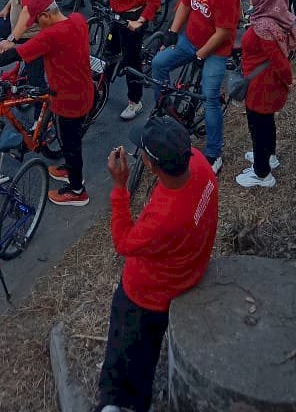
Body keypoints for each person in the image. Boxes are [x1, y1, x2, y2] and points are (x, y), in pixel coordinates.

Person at [94, 116, 217, 412]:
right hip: (190, 265)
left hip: (148, 295)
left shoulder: (164, 217)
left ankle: (120, 403)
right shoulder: (200, 164)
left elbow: (123, 243)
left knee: (127, 349)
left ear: (152, 165)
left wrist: (120, 187)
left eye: (144, 154)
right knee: (145, 351)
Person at [0, 0, 94, 207]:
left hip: (67, 100)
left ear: (46, 15)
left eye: (38, 21)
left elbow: (16, 55)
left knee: (71, 143)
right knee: (70, 139)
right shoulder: (77, 20)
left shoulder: (51, 35)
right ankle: (70, 169)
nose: (38, 25)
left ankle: (77, 190)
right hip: (83, 90)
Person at [151, 0, 241, 174]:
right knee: (158, 65)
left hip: (214, 51)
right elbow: (185, 4)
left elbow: (223, 33)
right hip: (189, 40)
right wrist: (172, 32)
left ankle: (214, 153)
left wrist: (201, 55)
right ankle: (167, 110)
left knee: (209, 98)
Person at [236, 0, 296, 188]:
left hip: (261, 87)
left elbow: (279, 61)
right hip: (267, 84)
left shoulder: (263, 28)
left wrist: (289, 80)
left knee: (258, 127)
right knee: (266, 123)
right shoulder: (273, 17)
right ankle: (268, 156)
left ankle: (262, 173)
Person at [104, 0, 162, 121]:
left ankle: (135, 102)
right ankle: (99, 87)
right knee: (108, 53)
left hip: (130, 21)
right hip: (118, 18)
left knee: (132, 62)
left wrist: (140, 20)